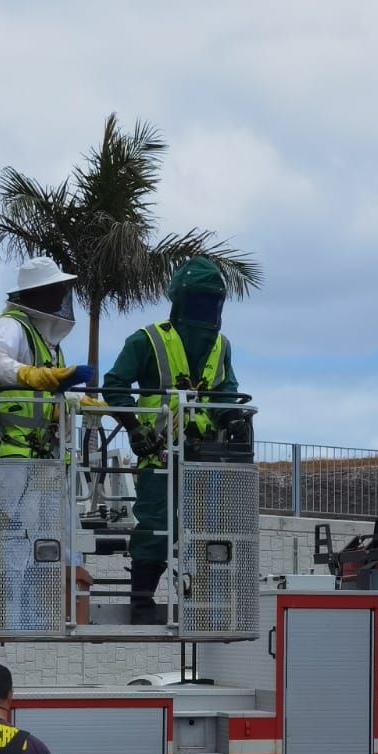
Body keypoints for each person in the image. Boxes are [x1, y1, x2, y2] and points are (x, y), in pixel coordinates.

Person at [102, 256, 242, 622]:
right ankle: (142, 602)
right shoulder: (147, 340)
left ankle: (209, 600)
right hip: (159, 452)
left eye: (210, 301)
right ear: (180, 300)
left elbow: (227, 391)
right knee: (155, 523)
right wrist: (135, 429)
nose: (204, 309)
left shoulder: (221, 346)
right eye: (198, 300)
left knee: (210, 527)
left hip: (206, 455)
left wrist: (234, 419)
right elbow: (114, 384)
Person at [0, 256, 96, 627]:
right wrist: (28, 373)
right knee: (17, 539)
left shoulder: (46, 339)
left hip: (46, 457)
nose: (61, 295)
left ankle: (48, 617)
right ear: (38, 293)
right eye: (56, 289)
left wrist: (79, 403)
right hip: (14, 453)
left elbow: (44, 399)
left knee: (53, 540)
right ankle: (14, 619)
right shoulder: (12, 327)